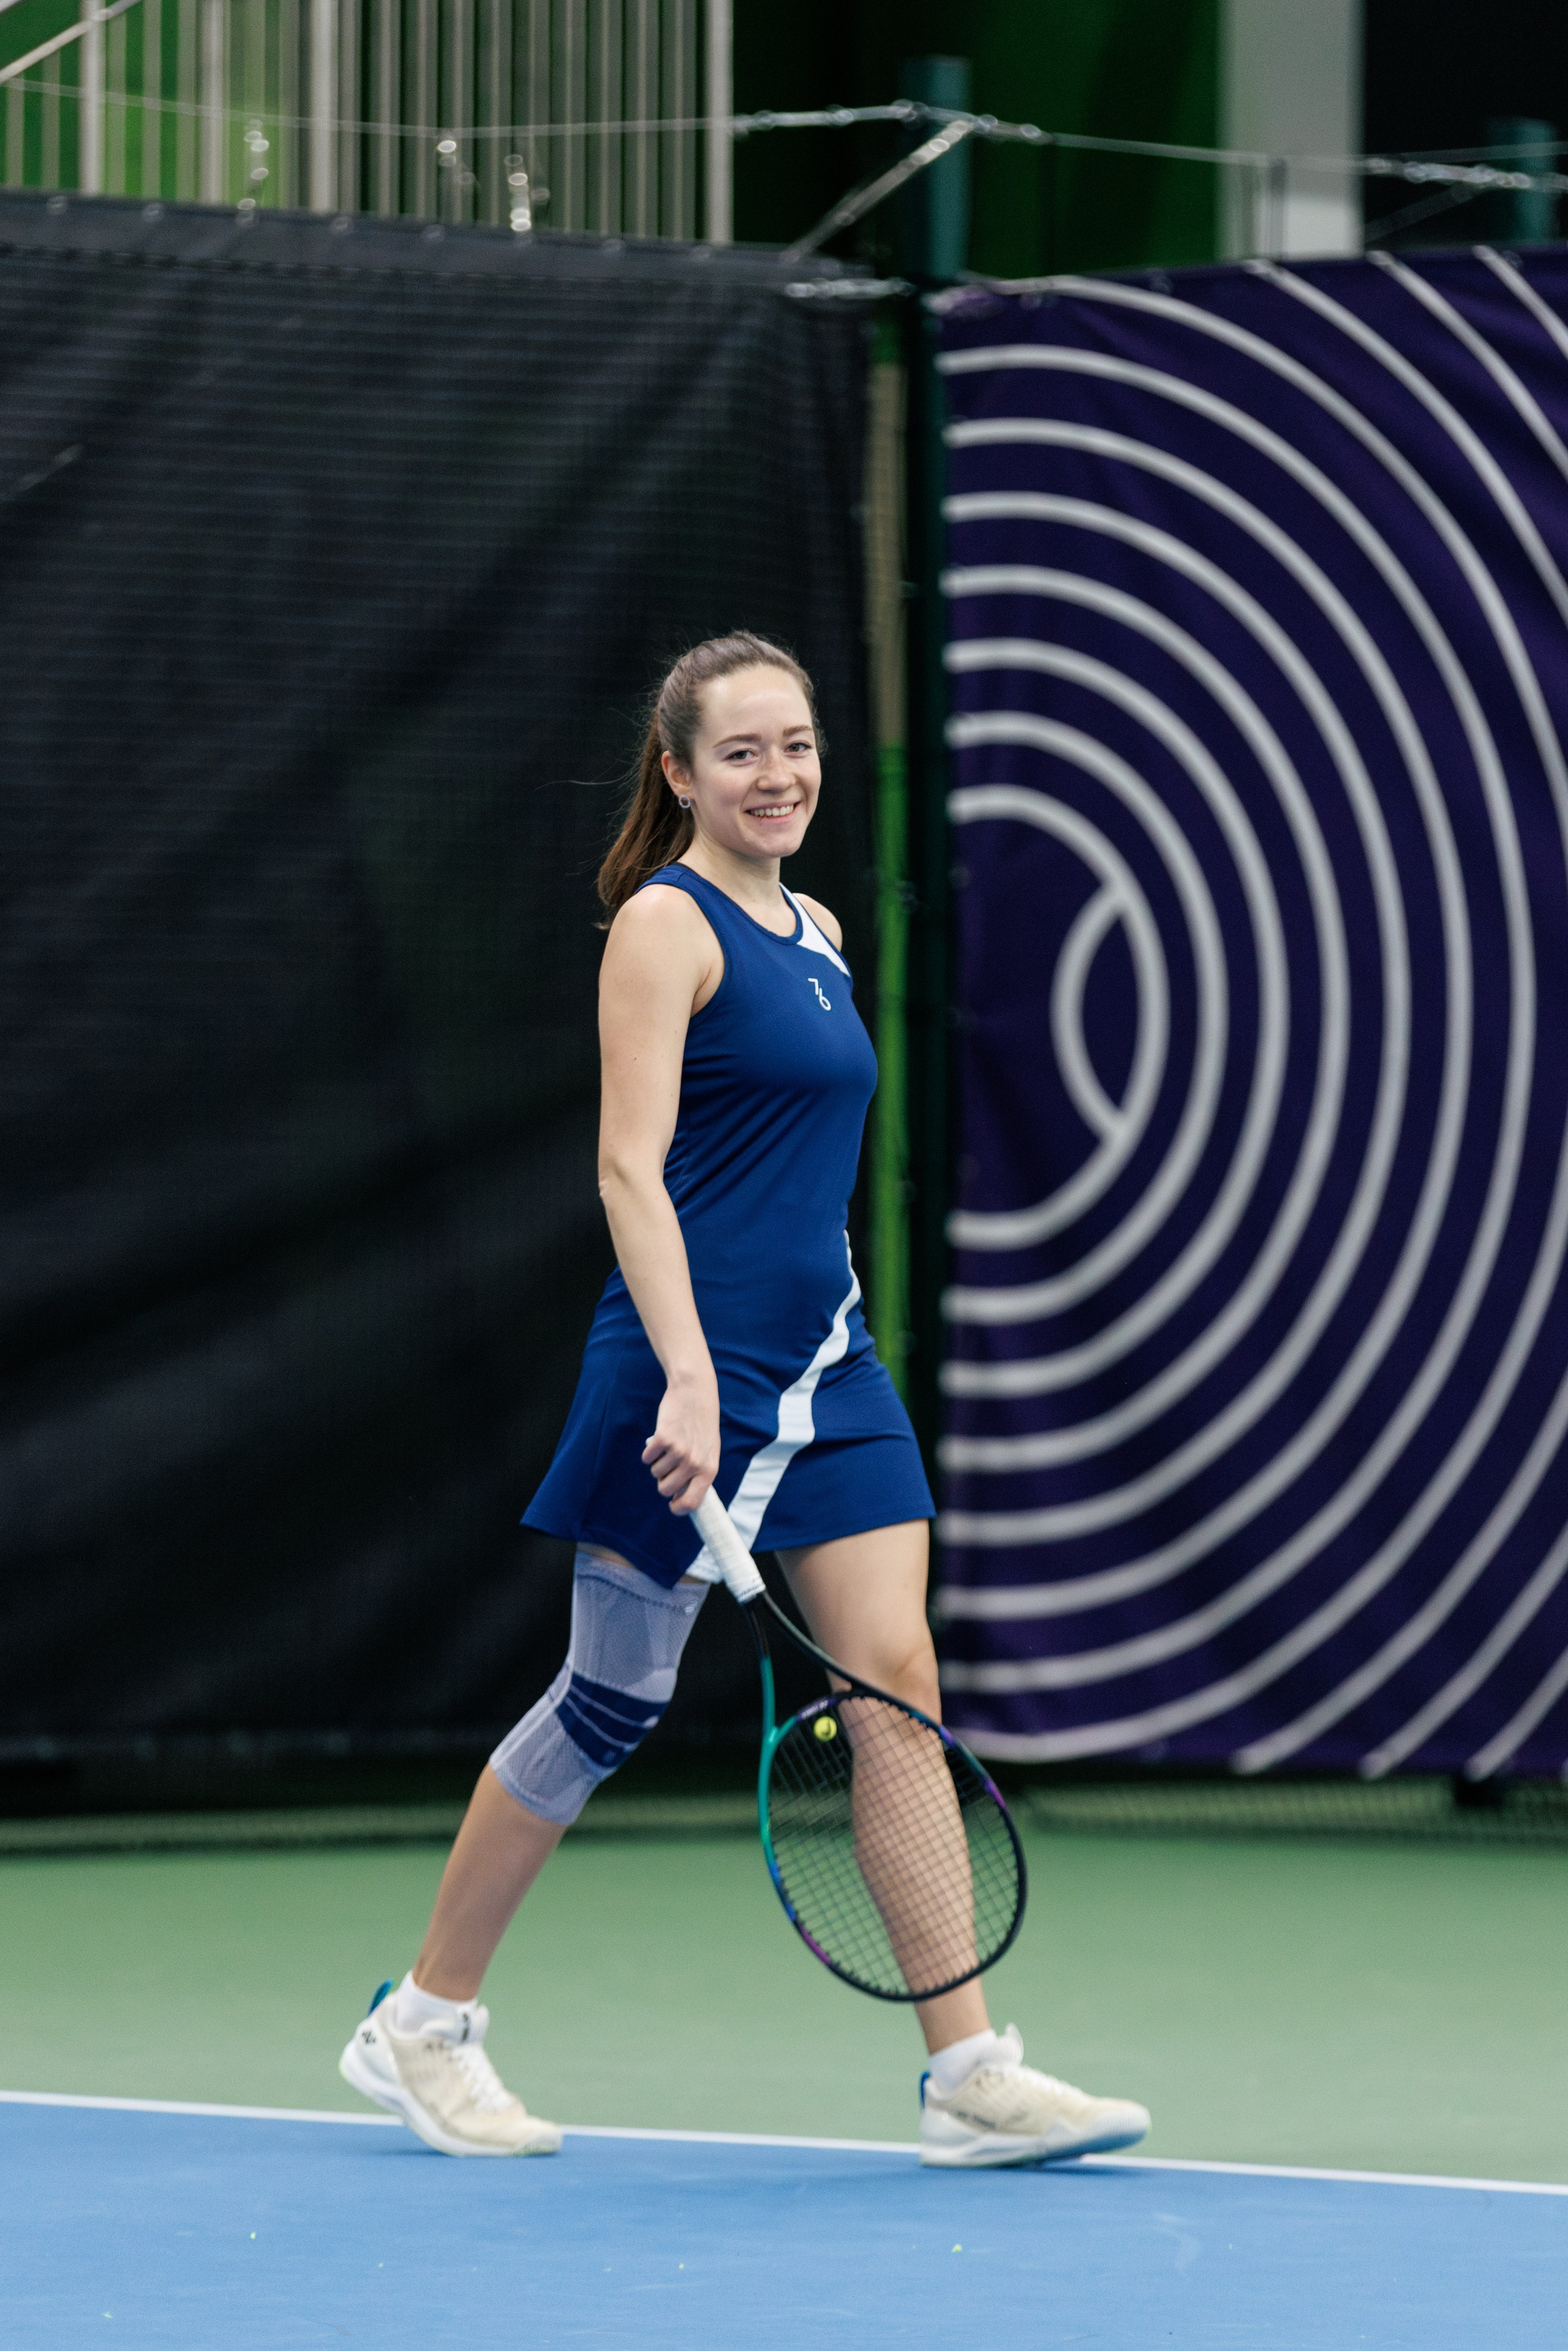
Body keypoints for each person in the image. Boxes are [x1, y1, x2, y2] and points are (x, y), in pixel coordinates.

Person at [338, 632, 1151, 2170]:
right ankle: (421, 2023)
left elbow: (800, 1172)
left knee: (896, 1684)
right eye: (740, 753)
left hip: (826, 1367)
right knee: (607, 1704)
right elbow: (625, 1168)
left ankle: (966, 2066)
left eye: (797, 745)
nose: (777, 775)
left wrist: (796, 1348)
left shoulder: (820, 925)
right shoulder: (663, 925)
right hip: (679, 1372)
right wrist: (696, 1376)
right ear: (678, 771)